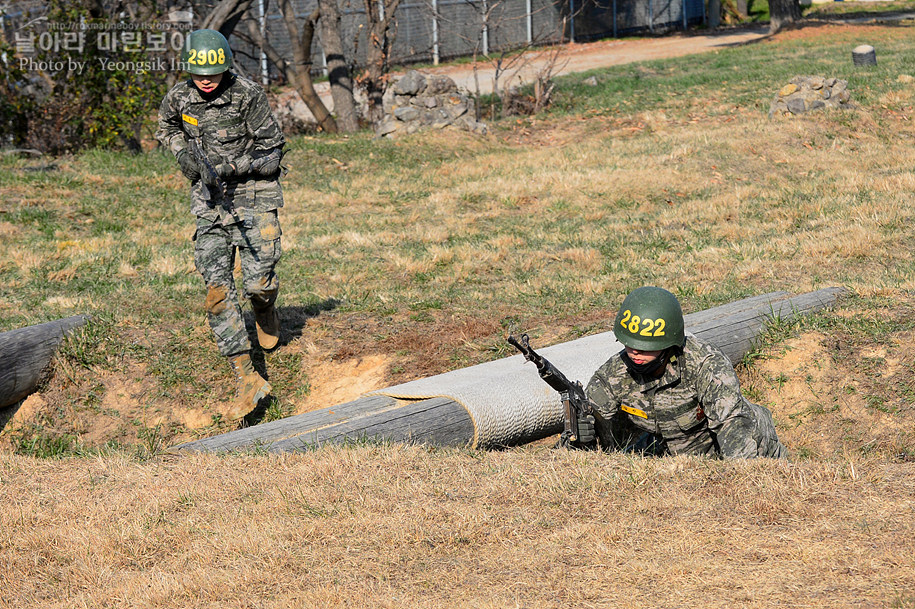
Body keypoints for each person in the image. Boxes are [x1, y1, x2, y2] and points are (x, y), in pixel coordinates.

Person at [156, 29, 286, 420]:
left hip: (255, 199)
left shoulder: (248, 96)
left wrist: (232, 167)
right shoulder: (179, 97)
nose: (205, 79)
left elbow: (272, 151)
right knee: (216, 292)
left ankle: (265, 308)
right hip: (209, 205)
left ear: (226, 67)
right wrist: (183, 154)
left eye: (212, 72)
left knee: (257, 283)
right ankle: (247, 376)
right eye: (198, 73)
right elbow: (167, 127)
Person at [584, 286, 788, 459]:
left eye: (646, 346)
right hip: (674, 458)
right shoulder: (614, 374)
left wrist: (740, 478)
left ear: (667, 344)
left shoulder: (706, 364)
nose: (635, 351)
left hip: (749, 447)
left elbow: (732, 425)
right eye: (630, 343)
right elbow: (590, 420)